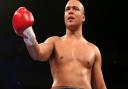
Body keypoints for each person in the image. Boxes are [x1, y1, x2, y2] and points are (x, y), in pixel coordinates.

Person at [12, 0, 107, 89]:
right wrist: (28, 33)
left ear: (83, 17)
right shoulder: (54, 42)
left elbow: (100, 86)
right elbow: (37, 54)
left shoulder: (93, 50)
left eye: (75, 9)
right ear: (64, 16)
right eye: (67, 9)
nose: (70, 11)